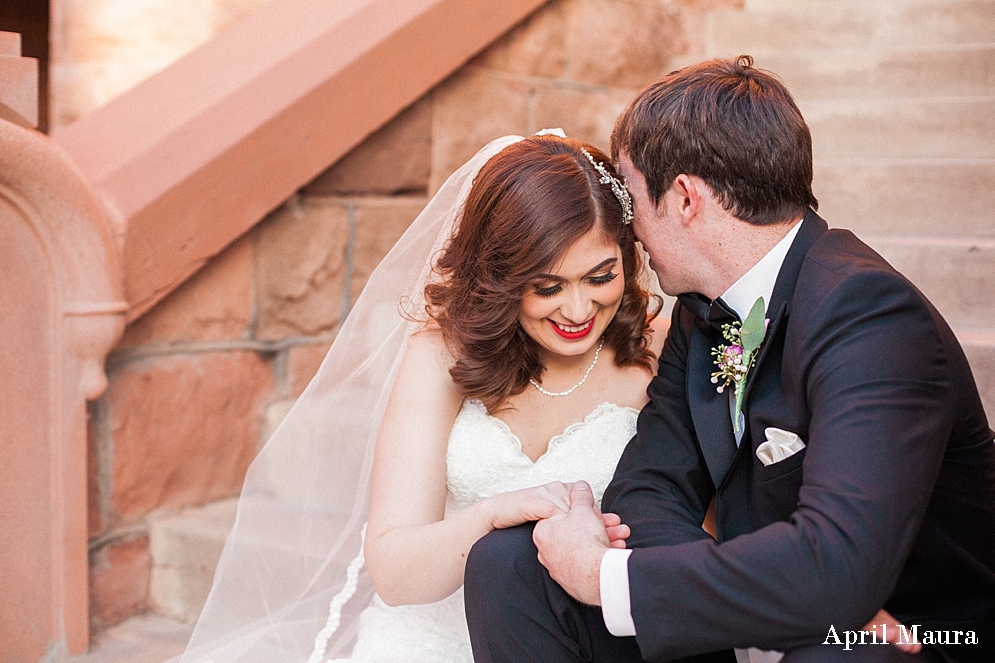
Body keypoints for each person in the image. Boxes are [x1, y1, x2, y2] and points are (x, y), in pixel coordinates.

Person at [464, 57, 995, 663]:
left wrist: (608, 579)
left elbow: (838, 567)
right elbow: (649, 486)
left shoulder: (868, 314)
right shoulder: (705, 310)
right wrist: (728, 603)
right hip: (787, 615)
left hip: (917, 636)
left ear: (685, 197)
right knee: (508, 563)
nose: (630, 228)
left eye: (634, 199)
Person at [172, 132, 667, 663]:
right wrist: (493, 514)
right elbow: (393, 570)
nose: (577, 309)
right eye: (547, 287)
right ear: (500, 278)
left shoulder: (659, 349)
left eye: (600, 277)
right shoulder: (442, 353)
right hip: (429, 638)